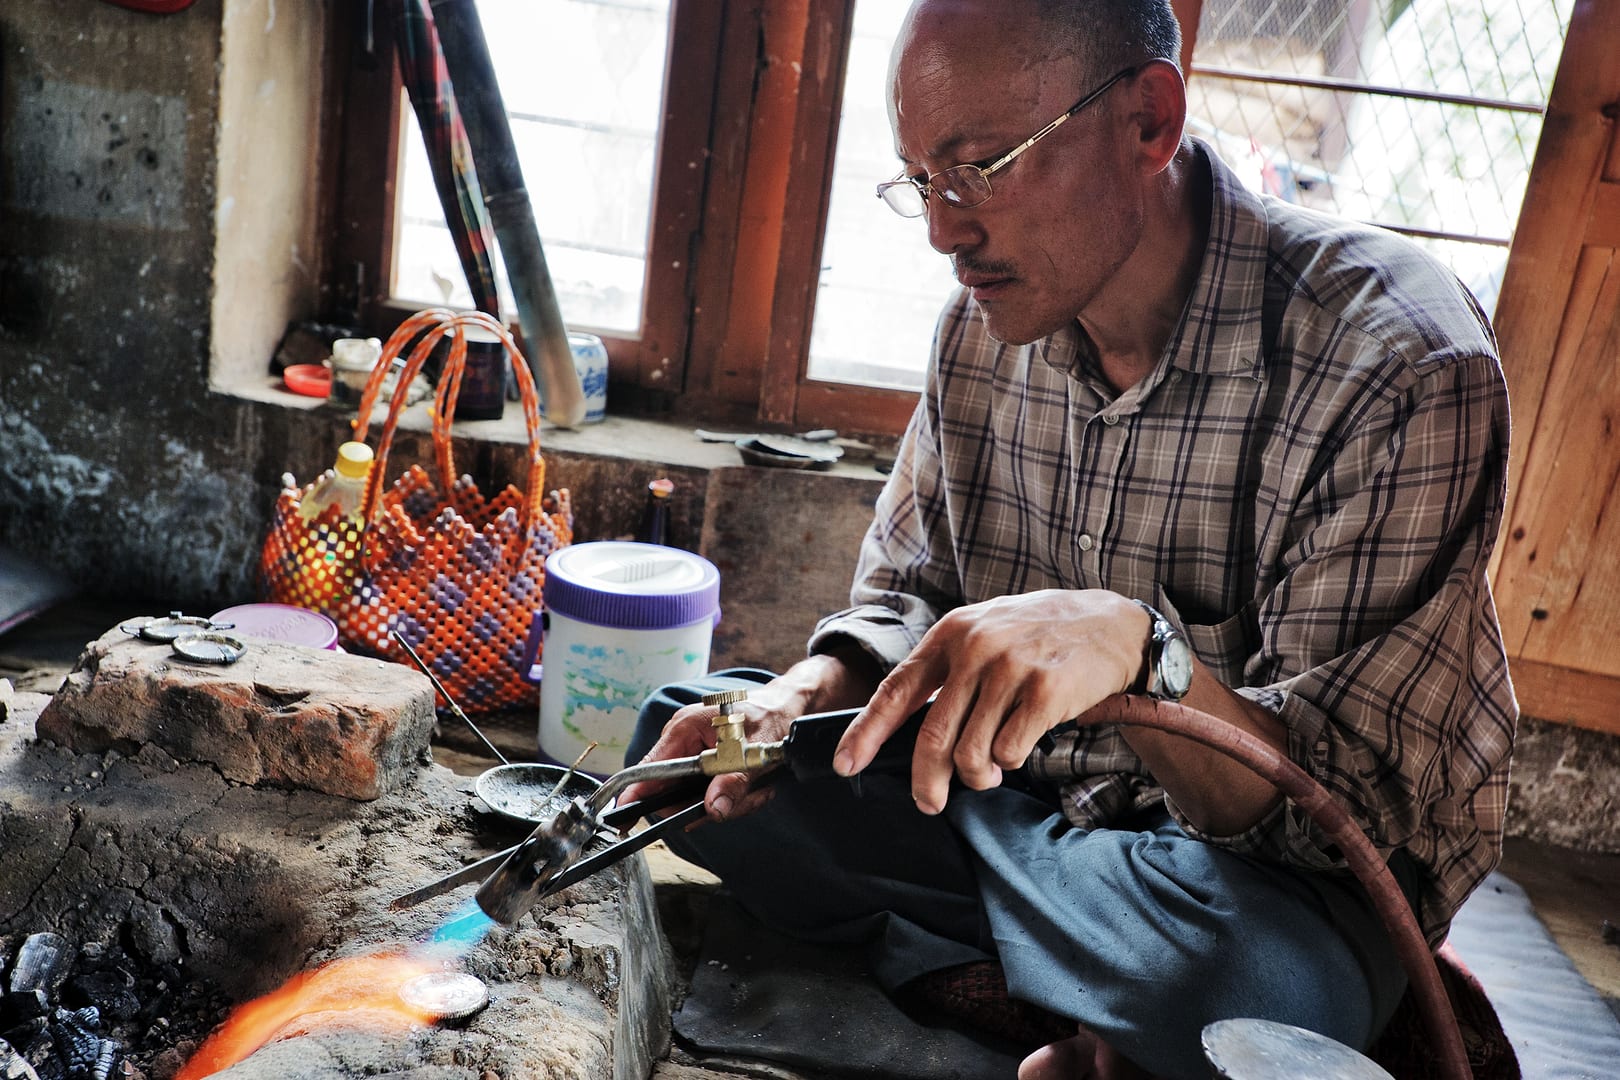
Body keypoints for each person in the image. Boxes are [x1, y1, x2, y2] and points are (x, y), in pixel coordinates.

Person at [624, 0, 1516, 1076]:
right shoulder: (989, 321)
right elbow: (910, 592)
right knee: (683, 744)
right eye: (921, 180)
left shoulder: (1400, 363)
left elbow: (1340, 831)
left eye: (985, 166)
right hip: (1020, 815)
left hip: (1245, 888)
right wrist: (804, 693)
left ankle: (1018, 968)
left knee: (1247, 988)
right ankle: (1072, 997)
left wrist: (1145, 655)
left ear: (1148, 119)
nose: (946, 232)